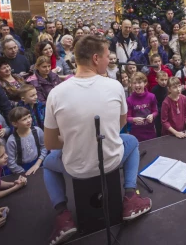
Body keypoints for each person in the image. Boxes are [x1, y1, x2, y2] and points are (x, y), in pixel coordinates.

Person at [42, 35, 152, 244]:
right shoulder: (114, 86)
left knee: (48, 164)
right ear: (95, 58)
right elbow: (119, 126)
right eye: (106, 56)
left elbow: (50, 144)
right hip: (111, 161)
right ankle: (129, 196)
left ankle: (62, 215)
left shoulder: (55, 94)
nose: (109, 60)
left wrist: (74, 139)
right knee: (131, 142)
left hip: (75, 167)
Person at [6, 107, 47, 175]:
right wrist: (23, 172)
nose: (29, 120)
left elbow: (44, 147)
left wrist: (38, 164)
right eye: (24, 119)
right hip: (22, 169)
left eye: (29, 117)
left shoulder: (37, 131)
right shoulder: (12, 141)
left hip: (39, 162)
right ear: (15, 124)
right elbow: (11, 162)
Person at [126, 72, 158, 142]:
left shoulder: (151, 96)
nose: (137, 85)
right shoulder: (129, 100)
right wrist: (134, 119)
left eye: (139, 82)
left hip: (150, 131)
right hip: (136, 133)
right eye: (134, 83)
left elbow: (155, 111)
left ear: (145, 83)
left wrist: (152, 115)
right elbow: (127, 117)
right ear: (131, 85)